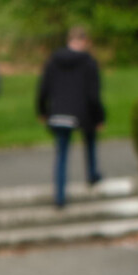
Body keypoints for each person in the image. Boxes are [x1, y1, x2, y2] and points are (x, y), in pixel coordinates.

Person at [35, 26, 106, 209]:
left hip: (58, 112)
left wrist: (42, 111)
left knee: (62, 153)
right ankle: (91, 174)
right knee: (89, 139)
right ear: (85, 41)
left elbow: (43, 89)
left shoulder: (53, 61)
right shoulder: (89, 62)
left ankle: (60, 196)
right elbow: (93, 95)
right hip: (82, 113)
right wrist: (99, 117)